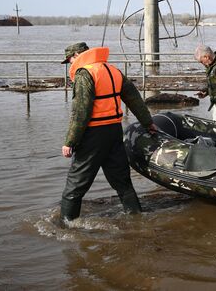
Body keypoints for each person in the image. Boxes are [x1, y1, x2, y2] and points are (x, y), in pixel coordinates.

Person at [59, 42, 158, 224]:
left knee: (75, 185)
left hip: (92, 135)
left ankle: (64, 224)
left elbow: (81, 112)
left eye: (70, 60)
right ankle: (136, 218)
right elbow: (134, 98)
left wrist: (70, 142)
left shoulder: (84, 74)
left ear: (76, 56)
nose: (70, 65)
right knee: (122, 181)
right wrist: (148, 123)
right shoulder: (113, 70)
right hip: (114, 132)